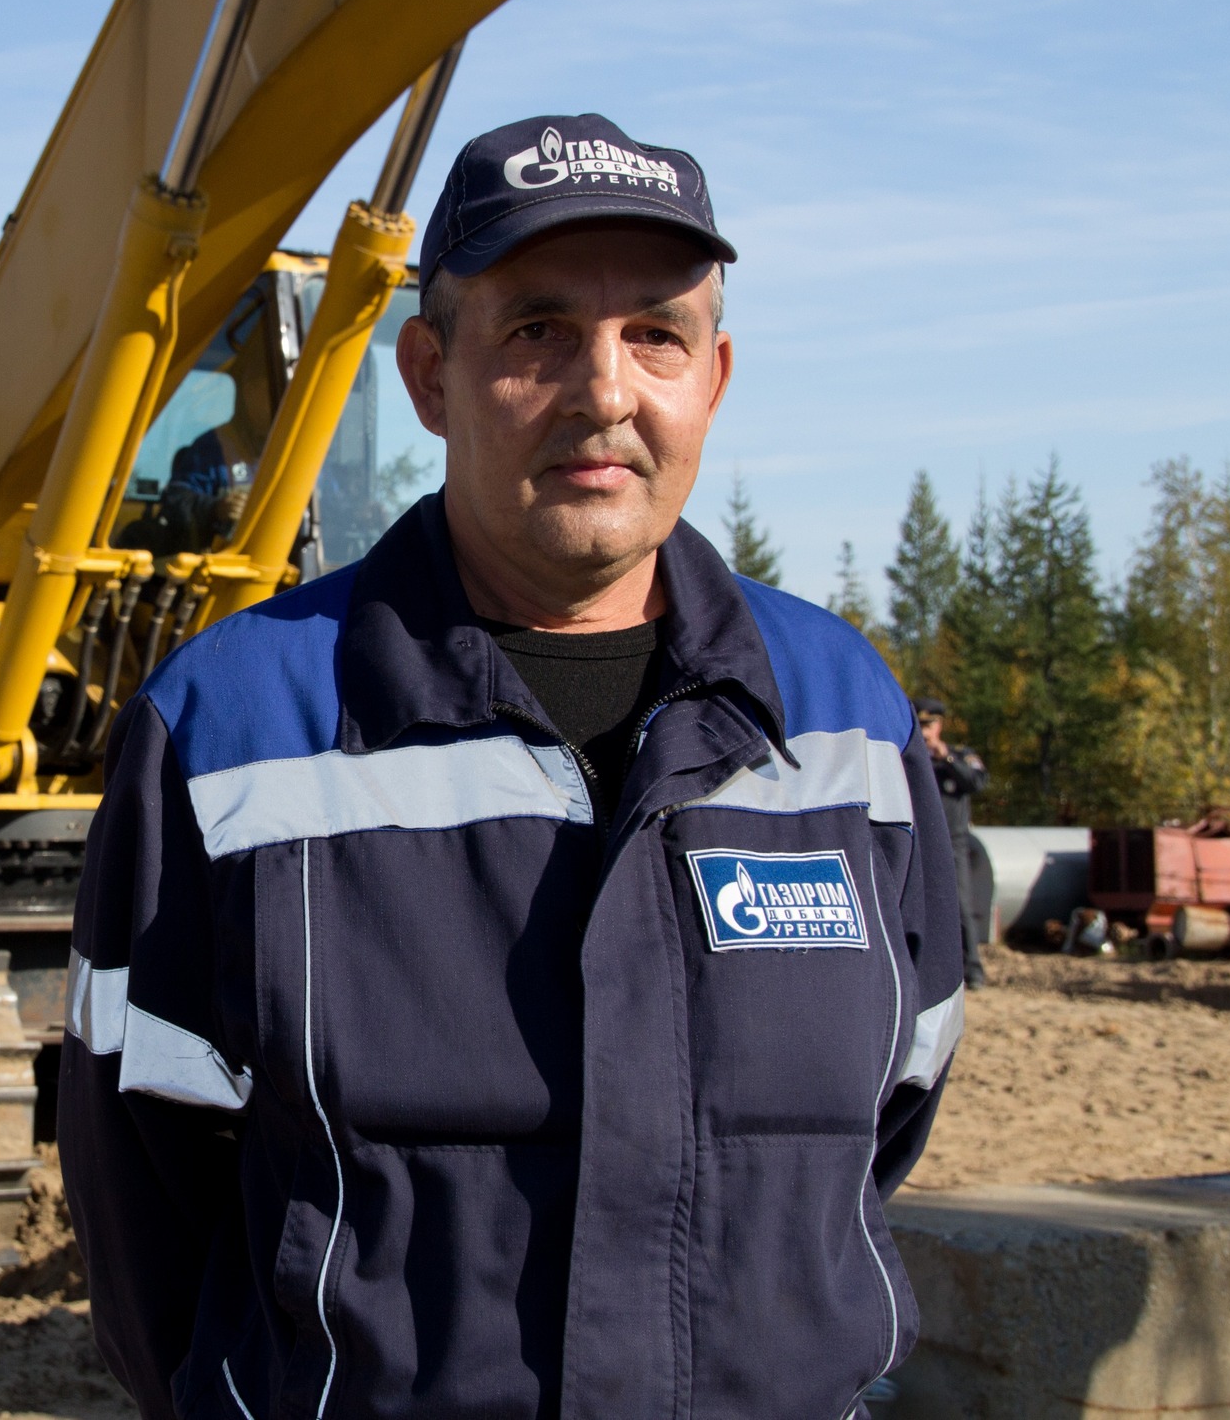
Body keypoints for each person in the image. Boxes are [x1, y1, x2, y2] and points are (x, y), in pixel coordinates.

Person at [60, 114, 965, 1420]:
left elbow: (885, 1114)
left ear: (712, 377)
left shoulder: (843, 719)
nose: (603, 390)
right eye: (535, 329)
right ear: (428, 373)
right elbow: (145, 1212)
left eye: (655, 332)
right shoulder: (231, 728)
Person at [917, 697, 990, 988]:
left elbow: (977, 781)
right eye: (920, 725)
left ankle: (973, 970)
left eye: (929, 725)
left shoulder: (959, 756)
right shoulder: (909, 758)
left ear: (940, 725)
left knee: (959, 904)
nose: (925, 732)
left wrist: (944, 757)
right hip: (920, 840)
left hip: (953, 843)